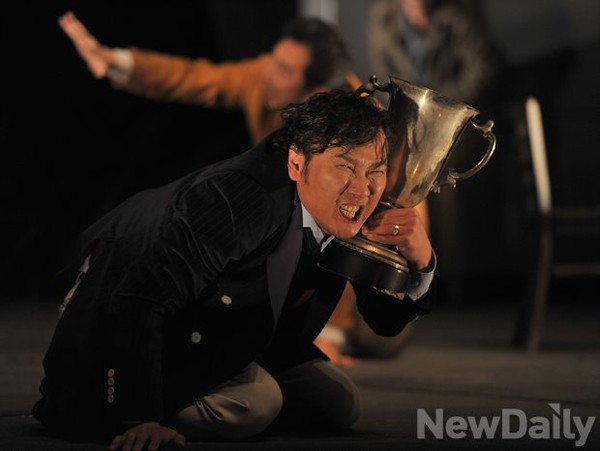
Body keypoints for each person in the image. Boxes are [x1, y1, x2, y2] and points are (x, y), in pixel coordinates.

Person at [33, 89, 435, 449]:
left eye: (375, 171)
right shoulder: (238, 199)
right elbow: (140, 299)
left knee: (335, 403)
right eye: (345, 167)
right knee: (257, 402)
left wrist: (422, 260)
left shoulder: (354, 207)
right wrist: (140, 418)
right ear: (297, 162)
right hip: (121, 321)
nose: (361, 189)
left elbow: (383, 322)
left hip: (229, 334)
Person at [58, 10, 429, 365]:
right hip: (278, 255)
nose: (268, 76)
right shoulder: (263, 86)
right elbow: (195, 77)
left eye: (284, 71)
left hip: (354, 285)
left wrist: (334, 329)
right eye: (274, 62)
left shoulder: (365, 134)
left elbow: (365, 225)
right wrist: (115, 61)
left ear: (315, 91)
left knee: (367, 349)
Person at [367, 0, 499, 304]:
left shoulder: (461, 15)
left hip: (450, 126)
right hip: (405, 122)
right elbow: (383, 69)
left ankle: (447, 279)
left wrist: (441, 109)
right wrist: (408, 108)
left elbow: (481, 68)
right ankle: (397, 272)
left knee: (445, 196)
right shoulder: (383, 17)